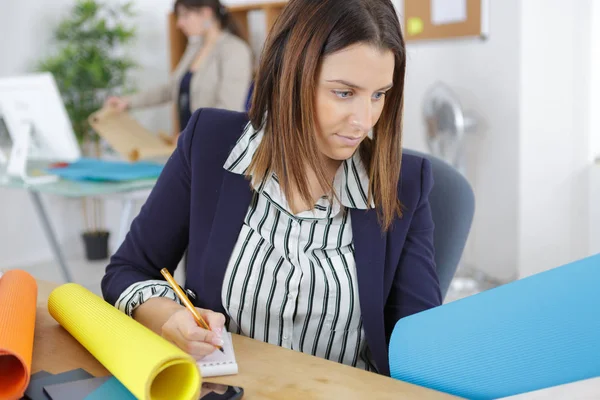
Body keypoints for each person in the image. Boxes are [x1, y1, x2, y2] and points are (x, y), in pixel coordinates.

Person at [101, 0, 441, 377]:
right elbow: (127, 270)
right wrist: (168, 316)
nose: (363, 121)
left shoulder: (405, 183)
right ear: (289, 75)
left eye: (379, 95)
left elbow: (423, 350)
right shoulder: (209, 144)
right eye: (344, 93)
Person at [104, 0, 253, 131]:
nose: (179, 23)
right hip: (189, 144)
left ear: (206, 13)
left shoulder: (235, 50)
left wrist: (192, 136)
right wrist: (128, 102)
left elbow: (228, 109)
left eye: (185, 15)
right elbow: (171, 89)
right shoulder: (194, 47)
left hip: (214, 145)